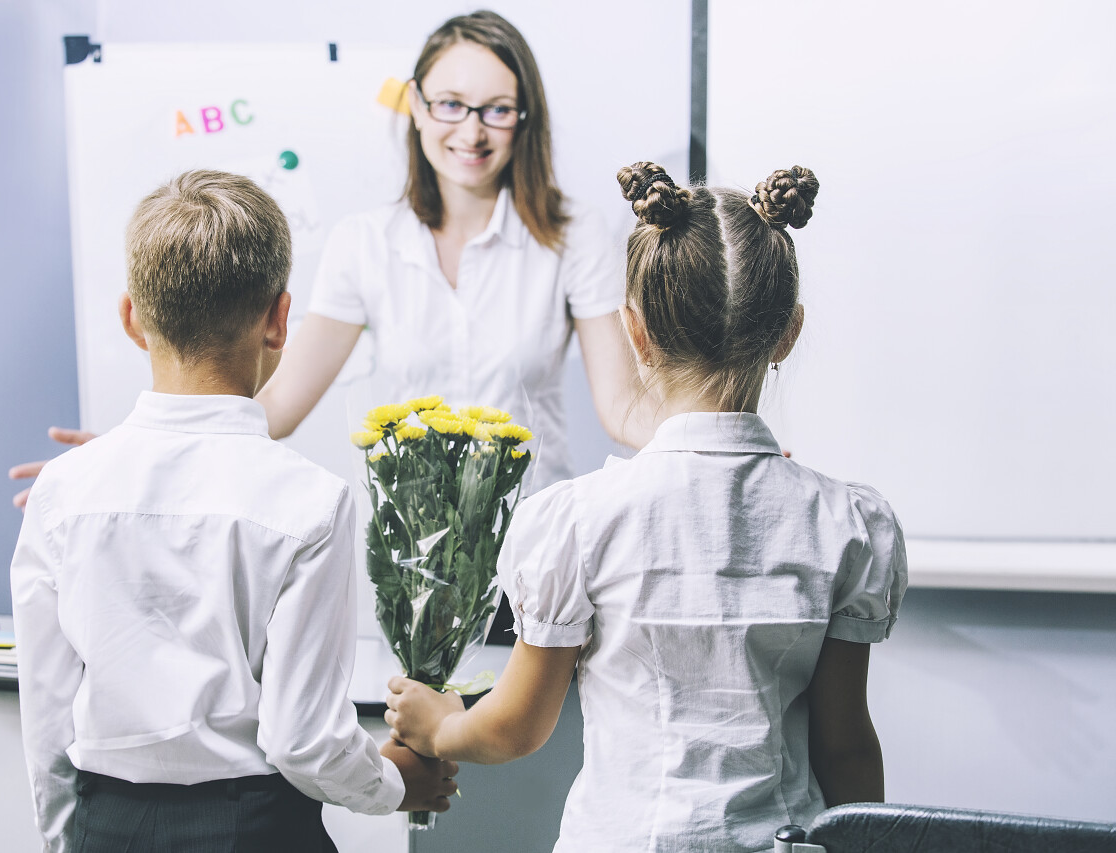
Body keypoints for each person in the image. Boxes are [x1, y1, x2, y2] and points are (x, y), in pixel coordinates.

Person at [383, 161, 908, 852]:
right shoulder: (846, 524)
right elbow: (845, 746)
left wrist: (442, 727)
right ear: (787, 332)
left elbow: (517, 724)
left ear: (636, 334)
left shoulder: (578, 519)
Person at [10, 9, 652, 510]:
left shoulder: (574, 235)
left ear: (524, 117)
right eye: (451, 104)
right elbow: (280, 403)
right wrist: (141, 451)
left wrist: (722, 440)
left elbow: (620, 406)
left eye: (498, 110)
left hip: (533, 554)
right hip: (415, 563)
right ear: (417, 105)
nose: (472, 131)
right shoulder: (365, 243)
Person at [11, 170, 456, 853]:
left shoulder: (63, 492)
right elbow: (302, 739)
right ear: (280, 321)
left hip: (109, 828)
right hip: (257, 830)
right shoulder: (311, 501)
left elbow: (47, 723)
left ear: (132, 319)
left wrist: (66, 840)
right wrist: (397, 784)